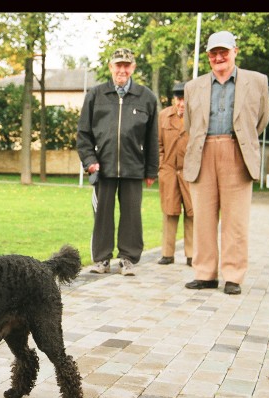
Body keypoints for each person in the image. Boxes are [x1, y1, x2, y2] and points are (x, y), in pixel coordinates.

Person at [183, 31, 269, 295]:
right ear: (208, 56)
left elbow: (262, 119)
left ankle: (233, 276)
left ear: (235, 51)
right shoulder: (192, 87)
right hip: (203, 152)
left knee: (236, 221)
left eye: (223, 51)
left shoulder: (256, 81)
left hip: (237, 152)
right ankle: (205, 274)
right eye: (213, 53)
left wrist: (240, 140)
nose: (218, 57)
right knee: (204, 219)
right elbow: (189, 124)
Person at [77, 47, 159, 276]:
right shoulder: (95, 95)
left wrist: (152, 170)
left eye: (126, 65)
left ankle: (128, 259)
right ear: (110, 67)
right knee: (102, 213)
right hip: (103, 167)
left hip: (134, 167)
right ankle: (102, 259)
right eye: (118, 65)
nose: (122, 69)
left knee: (132, 215)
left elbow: (153, 137)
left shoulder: (147, 97)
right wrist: (89, 160)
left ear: (133, 68)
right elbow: (83, 134)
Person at [157, 81, 193, 267]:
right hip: (169, 171)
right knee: (169, 213)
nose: (181, 104)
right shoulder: (163, 116)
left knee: (191, 213)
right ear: (174, 99)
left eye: (185, 99)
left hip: (190, 172)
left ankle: (191, 255)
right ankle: (167, 254)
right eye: (179, 99)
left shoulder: (196, 116)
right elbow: (158, 144)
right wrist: (162, 165)